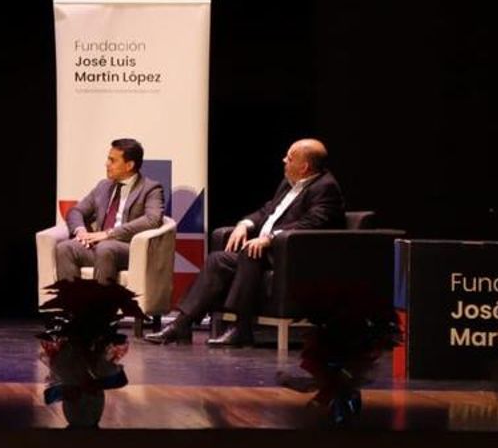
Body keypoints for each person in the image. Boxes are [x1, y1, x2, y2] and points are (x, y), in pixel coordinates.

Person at [147, 138, 344, 346]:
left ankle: (241, 328)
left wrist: (269, 238)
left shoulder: (325, 188)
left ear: (304, 167)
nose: (284, 160)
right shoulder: (289, 184)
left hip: (294, 257)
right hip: (270, 253)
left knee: (250, 253)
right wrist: (245, 224)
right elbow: (268, 211)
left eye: (290, 158)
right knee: (218, 260)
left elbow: (312, 224)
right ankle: (182, 324)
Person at [55, 138, 166, 285]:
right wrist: (80, 231)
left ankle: (101, 307)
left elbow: (152, 219)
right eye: (108, 159)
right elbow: (76, 211)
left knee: (106, 247)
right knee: (65, 248)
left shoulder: (150, 188)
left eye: (112, 161)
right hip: (100, 247)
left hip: (129, 249)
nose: (107, 164)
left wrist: (108, 234)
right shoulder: (104, 186)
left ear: (129, 165)